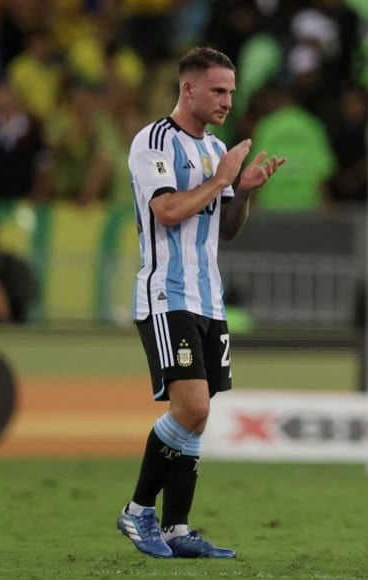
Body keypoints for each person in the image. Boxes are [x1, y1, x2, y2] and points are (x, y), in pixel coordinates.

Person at [116, 46, 286, 559]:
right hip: (167, 294)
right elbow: (167, 211)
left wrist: (245, 189)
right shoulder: (154, 142)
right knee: (191, 405)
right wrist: (220, 180)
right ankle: (138, 511)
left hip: (209, 299)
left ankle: (177, 528)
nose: (227, 101)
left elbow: (227, 229)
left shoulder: (217, 150)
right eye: (218, 90)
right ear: (188, 88)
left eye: (231, 91)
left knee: (198, 415)